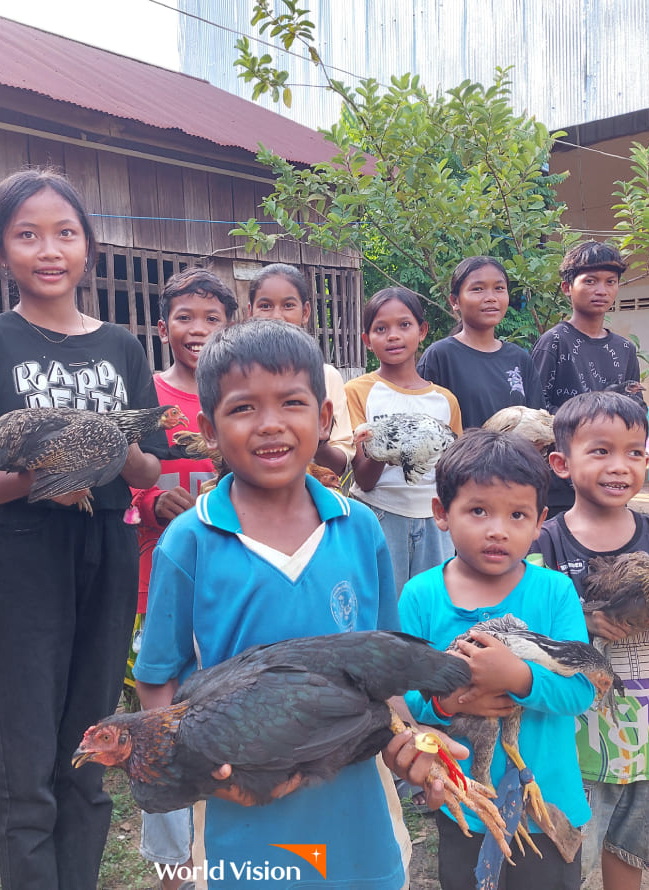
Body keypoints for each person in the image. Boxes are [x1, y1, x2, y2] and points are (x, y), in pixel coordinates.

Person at [134, 319, 459, 889]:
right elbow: (158, 681)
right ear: (209, 430)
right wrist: (202, 774)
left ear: (325, 418)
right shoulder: (190, 541)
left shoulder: (359, 528)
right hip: (243, 801)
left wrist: (418, 745)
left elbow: (385, 674)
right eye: (243, 409)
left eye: (291, 403)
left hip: (355, 798)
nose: (270, 425)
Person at [0, 168, 166, 890]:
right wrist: (48, 477)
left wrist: (112, 447)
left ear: (89, 248)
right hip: (25, 561)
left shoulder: (122, 348)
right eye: (26, 234)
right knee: (28, 763)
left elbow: (147, 472)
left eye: (65, 233)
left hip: (106, 555)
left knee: (89, 753)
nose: (48, 249)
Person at [526, 391, 649, 890]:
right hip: (576, 738)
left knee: (632, 849)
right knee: (569, 855)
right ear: (561, 463)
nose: (620, 466)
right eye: (601, 450)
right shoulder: (545, 543)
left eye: (634, 452)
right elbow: (526, 636)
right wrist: (582, 623)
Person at [399, 429, 596, 890]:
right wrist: (449, 705)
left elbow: (581, 691)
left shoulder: (554, 592)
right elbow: (408, 695)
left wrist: (520, 677)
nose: (498, 529)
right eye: (478, 510)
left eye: (517, 514)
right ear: (441, 514)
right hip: (465, 799)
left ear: (540, 520)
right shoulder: (421, 595)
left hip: (548, 802)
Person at [130, 267, 237, 890]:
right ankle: (173, 870)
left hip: (233, 589)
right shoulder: (146, 395)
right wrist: (150, 500)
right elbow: (128, 472)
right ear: (161, 326)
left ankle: (246, 852)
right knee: (162, 718)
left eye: (212, 318)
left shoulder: (238, 392)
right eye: (184, 318)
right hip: (160, 581)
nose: (197, 330)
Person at [346, 286, 462, 592]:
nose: (393, 335)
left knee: (432, 604)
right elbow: (365, 479)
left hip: (435, 517)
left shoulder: (444, 400)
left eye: (404, 325)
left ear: (422, 331)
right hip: (380, 513)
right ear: (367, 341)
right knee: (382, 605)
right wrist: (389, 448)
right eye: (380, 329)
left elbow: (453, 474)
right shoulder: (357, 391)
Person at [532, 241, 641, 517]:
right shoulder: (554, 342)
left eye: (610, 282)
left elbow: (637, 411)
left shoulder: (625, 349)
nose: (601, 290)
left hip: (611, 479)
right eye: (590, 281)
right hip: (561, 482)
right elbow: (536, 412)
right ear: (568, 288)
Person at [248, 262, 354, 475]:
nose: (277, 316)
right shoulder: (239, 376)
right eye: (265, 306)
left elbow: (339, 466)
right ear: (250, 311)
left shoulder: (326, 377)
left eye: (288, 306)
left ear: (305, 312)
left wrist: (319, 440)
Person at [417, 256, 544, 428]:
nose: (491, 297)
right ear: (454, 301)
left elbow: (537, 425)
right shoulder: (440, 357)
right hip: (461, 455)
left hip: (515, 456)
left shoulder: (520, 359)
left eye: (499, 288)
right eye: (478, 289)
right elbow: (423, 427)